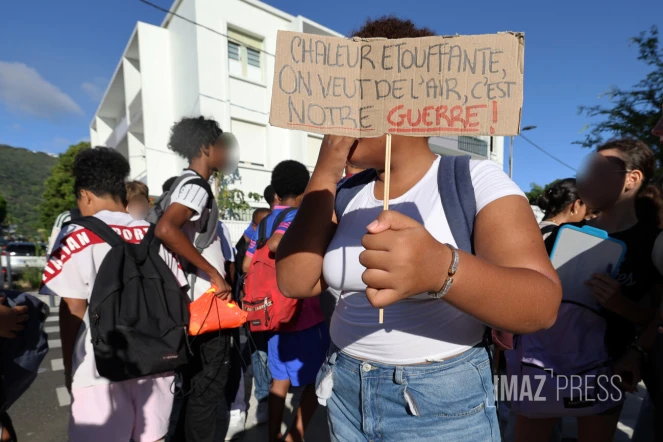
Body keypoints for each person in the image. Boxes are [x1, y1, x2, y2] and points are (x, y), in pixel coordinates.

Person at [275, 17, 562, 442]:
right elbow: (295, 280)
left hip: (439, 403)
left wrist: (441, 270)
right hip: (344, 388)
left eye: (350, 96)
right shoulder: (344, 193)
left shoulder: (475, 179)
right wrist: (324, 173)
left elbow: (541, 305)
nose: (333, 117)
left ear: (396, 101)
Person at [515, 139, 663, 442]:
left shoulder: (655, 243)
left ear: (631, 179)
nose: (585, 176)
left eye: (598, 168)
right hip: (540, 366)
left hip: (607, 370)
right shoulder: (560, 234)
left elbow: (656, 319)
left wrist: (620, 306)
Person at [40, 147, 187, 442]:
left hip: (99, 367)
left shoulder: (75, 235)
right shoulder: (154, 233)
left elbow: (72, 308)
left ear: (85, 195)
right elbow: (178, 294)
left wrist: (71, 370)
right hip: (158, 359)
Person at [155, 116, 237, 442]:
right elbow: (166, 229)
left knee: (192, 388)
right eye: (222, 147)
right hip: (206, 306)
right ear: (206, 147)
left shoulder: (181, 184)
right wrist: (216, 273)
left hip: (189, 305)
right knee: (207, 389)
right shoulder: (195, 187)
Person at [243, 160, 329, 442]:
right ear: (304, 190)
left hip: (272, 313)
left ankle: (273, 436)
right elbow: (277, 244)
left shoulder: (265, 220)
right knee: (320, 380)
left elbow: (247, 263)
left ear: (276, 192)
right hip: (301, 312)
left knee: (279, 379)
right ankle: (295, 435)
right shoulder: (297, 215)